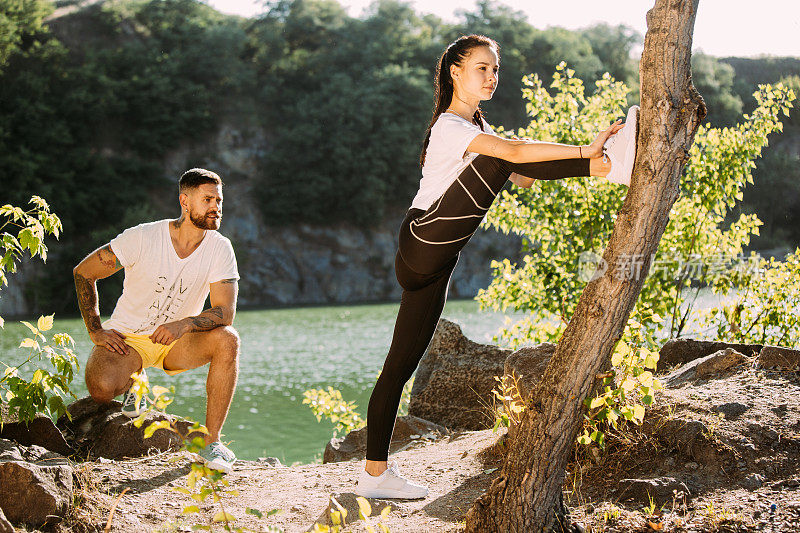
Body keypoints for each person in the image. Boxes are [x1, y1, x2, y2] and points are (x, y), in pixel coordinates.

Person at [355, 34, 639, 499]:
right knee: (500, 152)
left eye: (495, 70)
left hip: (436, 261)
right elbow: (511, 153)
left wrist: (573, 158)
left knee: (398, 368)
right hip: (422, 236)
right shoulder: (450, 126)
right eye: (481, 68)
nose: (491, 77)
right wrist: (587, 155)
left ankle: (373, 475)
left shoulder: (478, 126)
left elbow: (523, 175)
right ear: (455, 72)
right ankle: (613, 166)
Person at [73, 168, 241, 473]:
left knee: (228, 339)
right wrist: (96, 330)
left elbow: (224, 312)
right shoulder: (142, 237)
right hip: (128, 340)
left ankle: (212, 443)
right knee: (100, 388)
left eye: (219, 199)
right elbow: (84, 272)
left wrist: (184, 324)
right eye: (207, 199)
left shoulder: (220, 248)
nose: (216, 206)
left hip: (178, 342)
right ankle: (135, 382)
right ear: (185, 202)